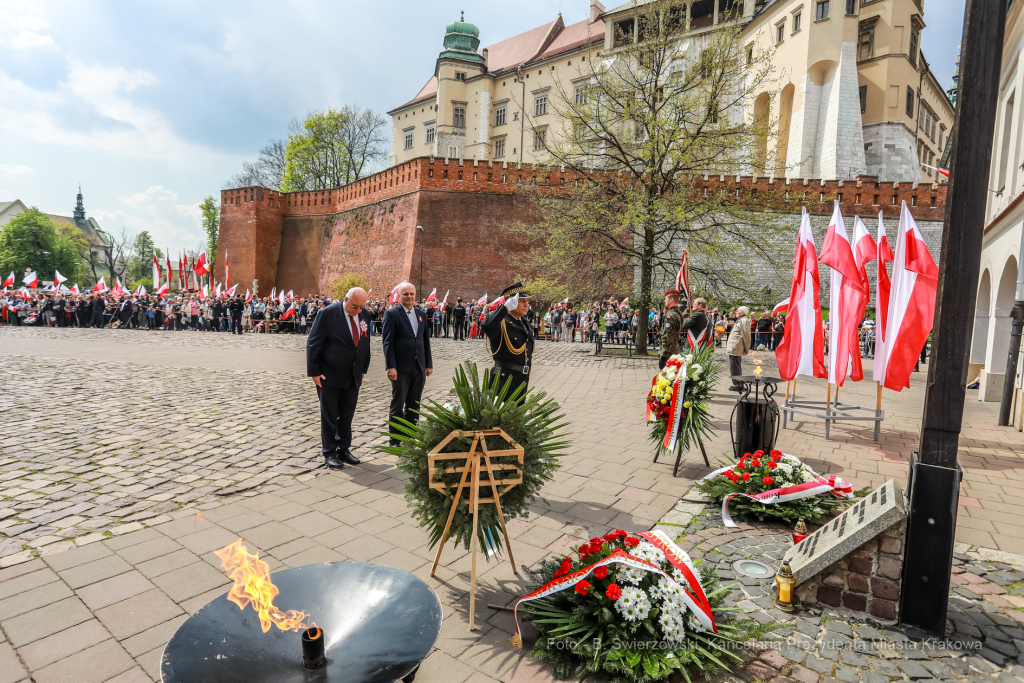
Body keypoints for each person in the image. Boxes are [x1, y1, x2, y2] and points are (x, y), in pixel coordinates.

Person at [306, 287, 371, 470]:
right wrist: (314, 372)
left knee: (347, 415)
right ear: (345, 299)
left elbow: (365, 342)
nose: (358, 311)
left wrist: (363, 366)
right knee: (329, 415)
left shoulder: (365, 315)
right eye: (355, 306)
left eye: (361, 307)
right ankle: (330, 452)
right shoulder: (327, 314)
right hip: (329, 374)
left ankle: (344, 448)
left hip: (353, 374)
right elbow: (313, 343)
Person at [382, 283, 434, 447]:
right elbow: (388, 342)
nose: (409, 297)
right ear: (399, 295)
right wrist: (391, 366)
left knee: (414, 405)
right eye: (406, 294)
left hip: (419, 366)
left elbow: (425, 340)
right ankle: (395, 439)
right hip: (400, 367)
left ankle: (410, 437)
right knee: (398, 404)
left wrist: (428, 364)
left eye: (412, 294)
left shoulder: (420, 313)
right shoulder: (392, 314)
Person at [482, 282, 534, 396]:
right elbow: (486, 325)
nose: (527, 305)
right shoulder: (501, 322)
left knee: (518, 412)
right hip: (503, 379)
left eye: (527, 301)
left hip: (522, 378)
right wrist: (504, 308)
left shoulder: (524, 322)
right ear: (512, 302)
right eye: (522, 301)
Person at [658, 289, 686, 369]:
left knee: (666, 378)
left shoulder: (670, 315)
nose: (664, 301)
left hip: (669, 353)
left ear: (671, 299)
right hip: (675, 350)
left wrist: (663, 355)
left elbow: (668, 336)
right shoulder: (678, 312)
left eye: (666, 298)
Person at [726, 306, 751, 388]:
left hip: (736, 347)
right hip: (734, 347)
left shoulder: (744, 320)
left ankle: (738, 384)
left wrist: (746, 348)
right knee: (735, 366)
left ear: (743, 312)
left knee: (735, 367)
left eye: (738, 310)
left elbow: (746, 335)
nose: (736, 311)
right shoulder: (741, 320)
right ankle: (738, 384)